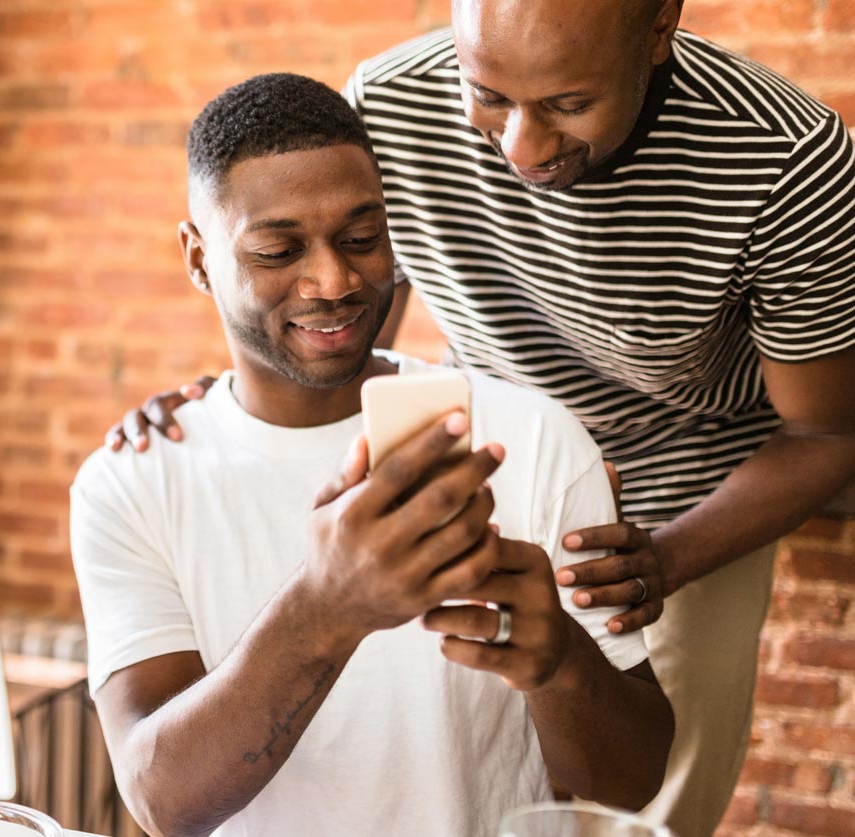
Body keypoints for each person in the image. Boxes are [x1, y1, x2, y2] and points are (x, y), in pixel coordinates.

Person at [105, 2, 855, 834]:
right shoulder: (389, 102)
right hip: (488, 452)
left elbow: (827, 434)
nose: (521, 151)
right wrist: (231, 400)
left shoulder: (786, 161)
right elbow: (331, 283)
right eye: (487, 95)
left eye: (569, 104)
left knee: (647, 808)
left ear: (658, 29)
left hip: (692, 496)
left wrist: (662, 561)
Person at [72, 73, 674, 837]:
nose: (334, 280)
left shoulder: (535, 440)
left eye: (362, 238)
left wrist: (559, 664)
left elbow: (632, 784)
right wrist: (327, 607)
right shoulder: (133, 482)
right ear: (197, 258)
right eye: (279, 249)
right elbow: (163, 802)